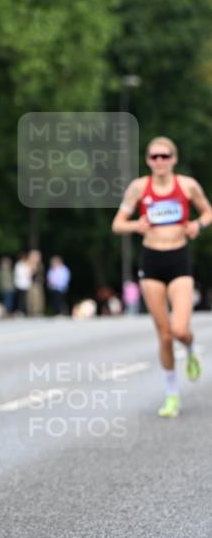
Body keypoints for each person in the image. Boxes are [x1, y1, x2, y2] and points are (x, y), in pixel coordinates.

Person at [112, 136, 211, 417]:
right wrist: (136, 225)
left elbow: (208, 212)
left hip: (179, 259)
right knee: (165, 336)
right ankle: (172, 395)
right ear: (147, 160)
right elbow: (117, 225)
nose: (159, 161)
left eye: (164, 156)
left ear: (174, 159)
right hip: (151, 262)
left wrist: (197, 225)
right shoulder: (139, 188)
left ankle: (191, 349)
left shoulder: (188, 185)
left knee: (180, 330)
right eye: (154, 157)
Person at [26, 249, 45, 317]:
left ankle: (38, 311)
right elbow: (30, 273)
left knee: (38, 298)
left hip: (38, 283)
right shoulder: (28, 264)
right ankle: (32, 311)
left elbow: (40, 273)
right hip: (31, 283)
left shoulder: (39, 264)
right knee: (31, 298)